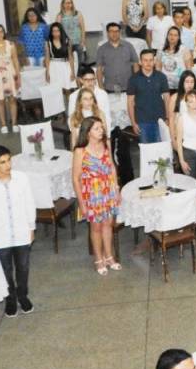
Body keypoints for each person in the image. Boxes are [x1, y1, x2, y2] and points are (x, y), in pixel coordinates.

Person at [0, 145, 37, 317]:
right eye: (2, 162)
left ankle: (23, 295)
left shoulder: (22, 178)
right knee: (5, 270)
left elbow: (29, 203)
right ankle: (10, 299)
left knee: (23, 268)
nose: (8, 165)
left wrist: (31, 227)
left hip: (21, 232)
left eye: (9, 160)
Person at [71, 117, 121, 276]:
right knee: (96, 227)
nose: (101, 131)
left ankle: (109, 256)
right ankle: (99, 259)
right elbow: (75, 179)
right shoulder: (80, 151)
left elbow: (112, 167)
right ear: (88, 132)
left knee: (108, 224)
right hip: (91, 194)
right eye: (97, 128)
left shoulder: (106, 144)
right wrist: (82, 203)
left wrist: (116, 189)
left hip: (108, 190)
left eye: (101, 128)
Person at [127, 49, 169, 144]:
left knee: (161, 149)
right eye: (145, 60)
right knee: (146, 150)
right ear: (140, 62)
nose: (148, 63)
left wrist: (167, 118)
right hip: (142, 121)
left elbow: (167, 99)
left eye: (150, 60)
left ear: (154, 61)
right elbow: (130, 102)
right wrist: (133, 123)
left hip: (160, 120)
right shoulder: (133, 79)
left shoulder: (161, 77)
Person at [0, 23, 21, 134]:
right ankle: (3, 125)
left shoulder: (11, 44)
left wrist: (18, 77)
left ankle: (14, 123)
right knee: (0, 101)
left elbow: (15, 60)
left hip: (10, 74)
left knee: (12, 100)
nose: (0, 33)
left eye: (1, 31)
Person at [67, 65, 113, 134]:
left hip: (99, 131)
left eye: (92, 79)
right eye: (87, 80)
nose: (90, 82)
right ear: (81, 80)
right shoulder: (74, 96)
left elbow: (107, 117)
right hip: (81, 131)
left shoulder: (103, 94)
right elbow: (71, 119)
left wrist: (107, 135)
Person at [95, 22, 138, 94]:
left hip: (128, 86)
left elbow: (135, 65)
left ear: (120, 32)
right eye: (111, 31)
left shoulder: (129, 46)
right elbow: (99, 69)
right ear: (107, 33)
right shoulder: (101, 49)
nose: (114, 34)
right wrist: (101, 88)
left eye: (117, 31)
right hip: (109, 87)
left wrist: (137, 83)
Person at [57, 0, 88, 65]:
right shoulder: (60, 15)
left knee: (80, 62)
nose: (68, 5)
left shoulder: (78, 13)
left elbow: (82, 28)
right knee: (68, 63)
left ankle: (79, 71)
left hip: (78, 42)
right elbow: (58, 30)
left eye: (70, 3)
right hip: (66, 43)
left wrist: (83, 41)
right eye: (66, 3)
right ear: (63, 4)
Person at [43, 22, 75, 89]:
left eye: (57, 31)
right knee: (54, 88)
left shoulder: (67, 41)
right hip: (53, 67)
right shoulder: (48, 42)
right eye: (53, 31)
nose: (55, 33)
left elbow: (70, 57)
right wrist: (47, 72)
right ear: (51, 32)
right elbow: (47, 58)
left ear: (61, 31)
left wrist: (72, 71)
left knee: (67, 87)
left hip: (65, 66)